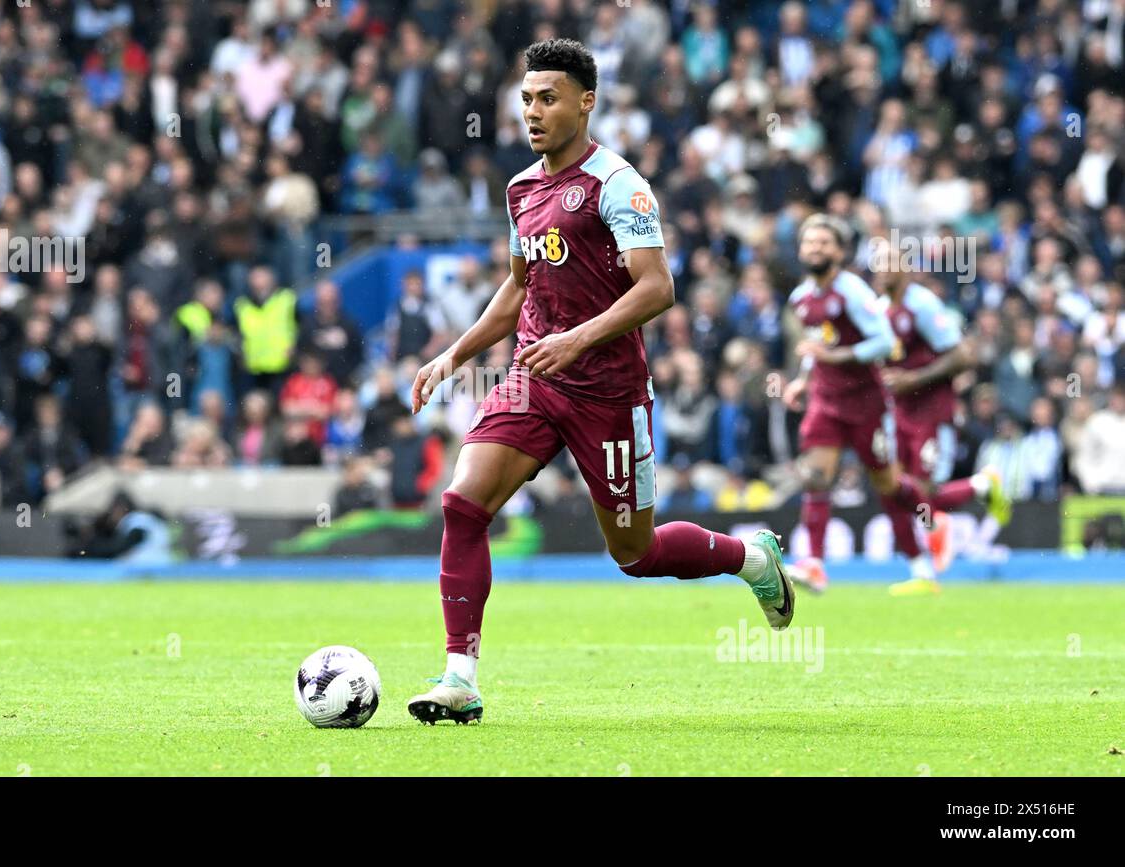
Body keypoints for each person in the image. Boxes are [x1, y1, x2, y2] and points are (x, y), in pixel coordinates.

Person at [405, 39, 794, 726]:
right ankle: (459, 676)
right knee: (463, 504)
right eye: (526, 98)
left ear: (587, 101)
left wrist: (577, 339)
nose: (532, 111)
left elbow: (658, 288)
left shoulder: (620, 186)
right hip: (533, 379)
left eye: (547, 97)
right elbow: (518, 286)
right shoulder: (520, 188)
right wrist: (454, 354)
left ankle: (750, 557)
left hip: (607, 393)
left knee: (635, 553)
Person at [782, 215, 951, 595]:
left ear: (839, 252)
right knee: (815, 475)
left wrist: (835, 357)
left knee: (887, 484)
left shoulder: (852, 292)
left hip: (866, 403)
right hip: (826, 401)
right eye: (810, 243)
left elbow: (883, 341)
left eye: (824, 243)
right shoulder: (801, 298)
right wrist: (802, 381)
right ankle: (814, 565)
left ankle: (929, 530)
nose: (816, 249)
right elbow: (816, 345)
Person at [877, 271, 1009, 594]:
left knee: (922, 488)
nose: (883, 269)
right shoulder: (879, 309)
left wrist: (914, 379)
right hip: (899, 412)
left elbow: (964, 355)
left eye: (891, 261)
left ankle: (932, 542)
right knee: (895, 488)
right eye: (877, 263)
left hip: (931, 412)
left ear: (904, 269)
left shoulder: (922, 304)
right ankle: (978, 487)